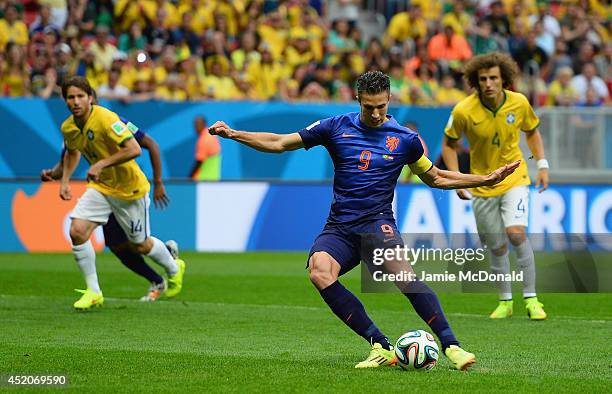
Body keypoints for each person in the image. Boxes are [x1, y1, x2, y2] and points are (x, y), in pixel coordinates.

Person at [209, 71, 521, 370]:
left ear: (389, 100)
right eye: (369, 107)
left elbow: (436, 177)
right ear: (359, 100)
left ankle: (452, 346)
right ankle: (380, 345)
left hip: (377, 224)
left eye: (381, 107)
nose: (375, 114)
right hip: (340, 227)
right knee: (319, 271)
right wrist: (234, 134)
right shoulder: (334, 127)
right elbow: (279, 143)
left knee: (403, 275)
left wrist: (482, 179)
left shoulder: (405, 140)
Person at [58, 76, 186, 310]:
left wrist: (101, 164)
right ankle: (94, 291)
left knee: (140, 245)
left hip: (129, 189)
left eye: (80, 96)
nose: (75, 101)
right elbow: (71, 151)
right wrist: (63, 179)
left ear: (91, 98)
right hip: (101, 188)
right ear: (64, 100)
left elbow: (136, 148)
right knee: (77, 232)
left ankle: (174, 268)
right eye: (70, 97)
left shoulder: (108, 119)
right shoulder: (68, 127)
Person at [441, 52, 549, 320]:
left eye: (493, 78)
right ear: (476, 82)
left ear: (504, 79)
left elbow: (532, 131)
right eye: (483, 79)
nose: (489, 83)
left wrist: (543, 164)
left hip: (515, 178)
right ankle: (505, 302)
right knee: (497, 246)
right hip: (483, 183)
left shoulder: (519, 103)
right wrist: (456, 177)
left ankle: (532, 299)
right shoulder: (463, 110)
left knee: (515, 233)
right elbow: (448, 144)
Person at [190, 116, 222, 181]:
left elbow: (199, 161)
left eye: (198, 124)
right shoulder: (212, 136)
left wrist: (190, 177)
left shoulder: (204, 139)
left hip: (203, 179)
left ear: (204, 124)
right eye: (195, 124)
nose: (196, 127)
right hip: (214, 178)